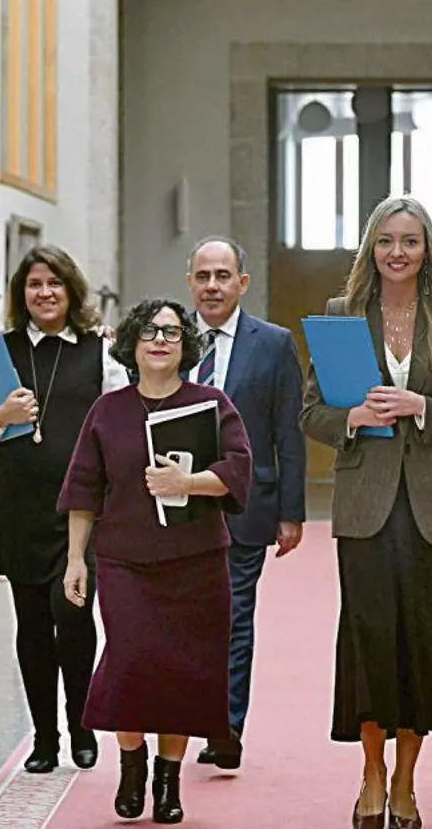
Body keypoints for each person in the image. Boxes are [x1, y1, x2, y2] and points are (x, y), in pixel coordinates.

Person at [300, 195, 432, 829]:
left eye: (410, 241)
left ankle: (407, 781)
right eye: (385, 241)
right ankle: (372, 772)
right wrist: (353, 417)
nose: (397, 252)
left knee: (425, 646)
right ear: (371, 249)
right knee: (373, 643)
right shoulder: (341, 315)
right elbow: (312, 413)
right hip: (366, 505)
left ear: (427, 248)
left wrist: (421, 407)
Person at [57, 297, 253, 824]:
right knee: (131, 660)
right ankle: (132, 765)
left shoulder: (211, 403)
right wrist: (75, 559)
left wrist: (188, 482)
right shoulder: (108, 411)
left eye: (171, 331)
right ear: (131, 344)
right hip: (125, 561)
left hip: (196, 561)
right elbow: (83, 489)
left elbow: (238, 470)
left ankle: (169, 781)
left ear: (186, 344)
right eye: (149, 331)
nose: (160, 340)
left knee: (183, 671)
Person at [0, 244, 128, 774]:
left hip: (81, 512)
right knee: (32, 625)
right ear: (22, 294)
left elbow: (122, 418)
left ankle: (81, 727)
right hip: (20, 508)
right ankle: (44, 738)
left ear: (71, 290)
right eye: (34, 284)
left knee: (73, 616)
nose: (45, 292)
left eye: (54, 283)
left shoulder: (100, 350)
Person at [183, 236, 308, 771]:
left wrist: (291, 511)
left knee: (234, 615)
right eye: (203, 276)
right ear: (190, 282)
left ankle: (226, 725)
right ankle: (186, 715)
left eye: (222, 276)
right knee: (186, 617)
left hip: (246, 503)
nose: (212, 286)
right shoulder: (169, 338)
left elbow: (288, 431)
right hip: (180, 502)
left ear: (242, 282)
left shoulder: (273, 344)